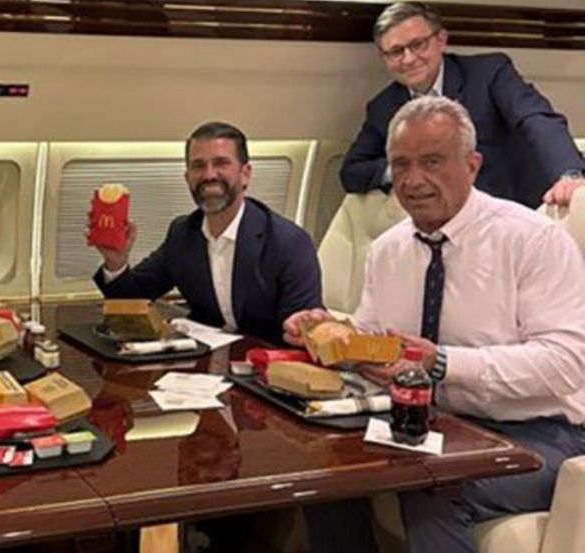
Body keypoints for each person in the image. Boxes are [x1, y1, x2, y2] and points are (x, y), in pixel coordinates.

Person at [287, 96, 585, 553]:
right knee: (326, 473)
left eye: (431, 162)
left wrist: (442, 362)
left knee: (435, 489)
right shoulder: (388, 250)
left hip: (543, 432)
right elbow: (375, 343)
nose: (412, 180)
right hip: (432, 423)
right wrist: (329, 333)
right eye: (400, 165)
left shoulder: (532, 240)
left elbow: (568, 364)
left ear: (472, 164)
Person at [91, 121, 321, 344]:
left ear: (245, 174)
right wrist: (116, 262)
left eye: (221, 163)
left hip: (263, 367)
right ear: (187, 177)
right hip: (203, 363)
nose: (209, 175)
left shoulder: (288, 242)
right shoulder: (182, 233)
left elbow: (299, 332)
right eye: (198, 166)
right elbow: (132, 301)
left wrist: (303, 329)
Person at [340, 1, 585, 208]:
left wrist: (570, 174)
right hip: (445, 223)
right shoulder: (384, 107)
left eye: (417, 45)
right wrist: (406, 167)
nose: (408, 59)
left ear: (441, 40)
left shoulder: (489, 74)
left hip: (517, 208)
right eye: (395, 52)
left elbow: (536, 119)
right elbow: (351, 172)